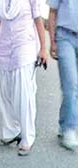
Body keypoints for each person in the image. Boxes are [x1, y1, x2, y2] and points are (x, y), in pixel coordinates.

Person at [0, 0, 47, 156]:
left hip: (24, 47)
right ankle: (11, 132)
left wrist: (43, 49)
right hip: (4, 48)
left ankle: (27, 138)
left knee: (24, 95)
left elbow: (38, 20)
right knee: (5, 93)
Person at [47, 0, 78, 150]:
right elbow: (52, 13)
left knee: (72, 87)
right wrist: (52, 42)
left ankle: (64, 123)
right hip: (65, 37)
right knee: (71, 85)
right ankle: (69, 129)